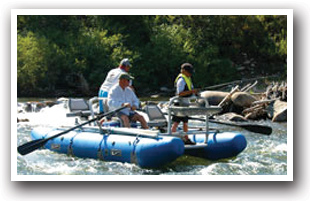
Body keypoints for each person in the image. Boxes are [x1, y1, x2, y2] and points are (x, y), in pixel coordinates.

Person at [171, 63, 197, 144]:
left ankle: (186, 138)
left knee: (185, 122)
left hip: (185, 104)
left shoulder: (188, 79)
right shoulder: (181, 80)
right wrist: (192, 91)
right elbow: (180, 93)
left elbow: (189, 90)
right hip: (179, 104)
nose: (190, 74)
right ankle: (171, 137)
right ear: (184, 71)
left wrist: (194, 93)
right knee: (176, 122)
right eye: (189, 72)